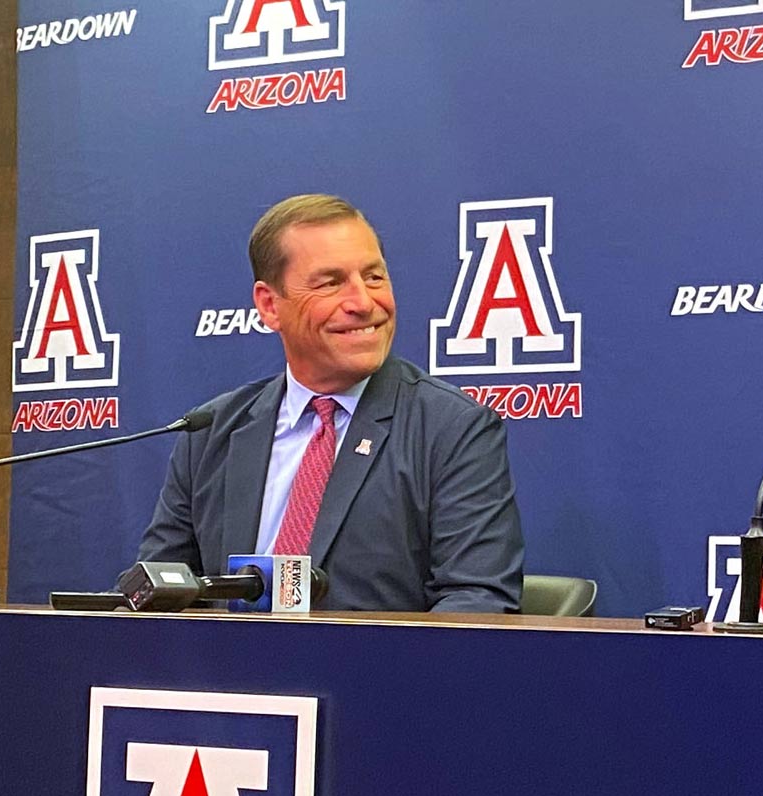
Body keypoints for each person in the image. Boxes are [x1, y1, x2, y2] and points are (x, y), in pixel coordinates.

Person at [135, 194, 524, 611]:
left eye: (374, 277)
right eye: (330, 283)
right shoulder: (211, 432)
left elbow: (477, 601)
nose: (363, 303)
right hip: (226, 674)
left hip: (375, 674)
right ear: (269, 305)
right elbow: (156, 591)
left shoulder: (452, 429)